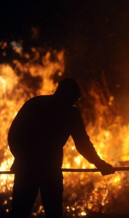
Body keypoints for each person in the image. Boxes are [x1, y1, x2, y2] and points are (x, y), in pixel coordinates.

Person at [8, 78, 115, 218]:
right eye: (73, 99)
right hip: (42, 169)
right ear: (65, 95)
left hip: (31, 168)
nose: (74, 103)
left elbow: (14, 135)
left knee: (23, 212)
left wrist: (21, 158)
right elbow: (83, 145)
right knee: (44, 213)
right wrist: (100, 164)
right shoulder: (68, 114)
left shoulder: (36, 104)